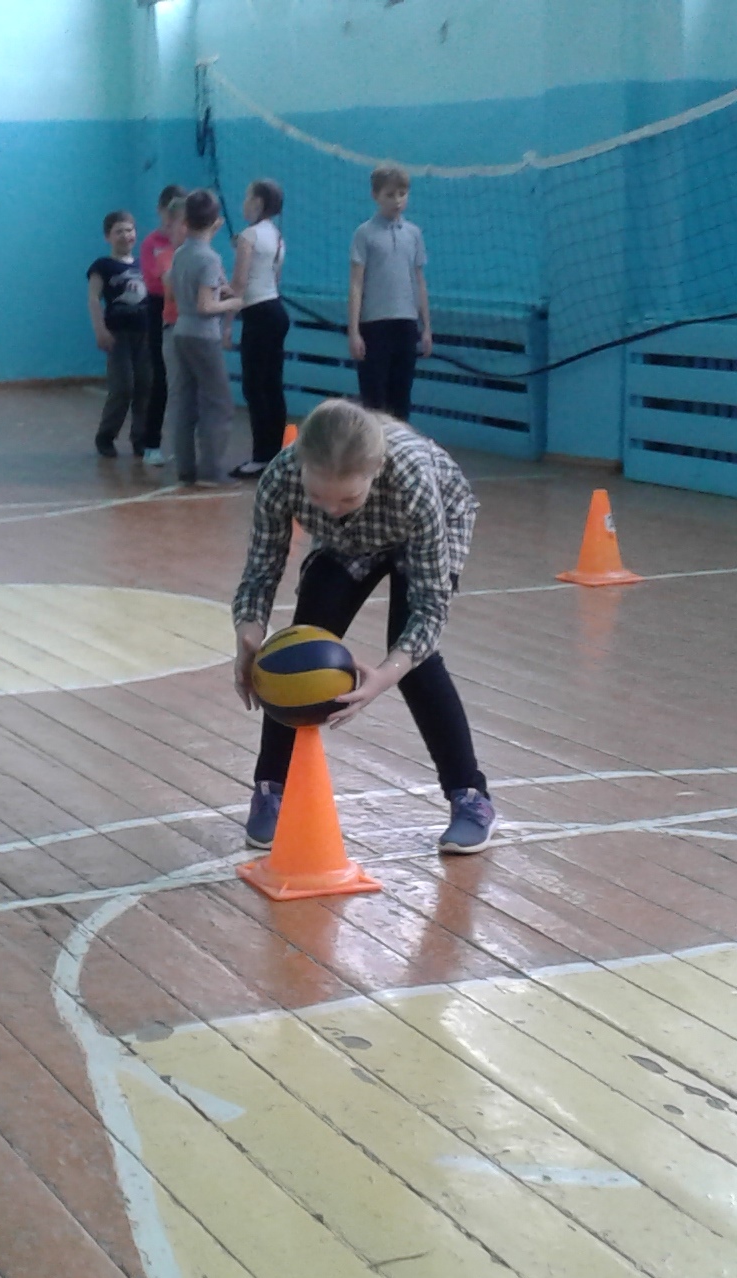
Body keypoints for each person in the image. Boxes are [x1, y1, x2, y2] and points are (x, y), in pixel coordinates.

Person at [231, 398, 494, 854]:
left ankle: (470, 797)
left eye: (348, 498)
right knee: (295, 655)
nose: (332, 509)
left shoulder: (412, 481)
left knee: (416, 661)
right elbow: (260, 572)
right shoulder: (280, 477)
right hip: (351, 543)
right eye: (318, 498)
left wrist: (386, 675)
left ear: (375, 470)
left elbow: (429, 609)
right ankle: (272, 789)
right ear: (301, 466)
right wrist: (249, 638)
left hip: (429, 528)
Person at [164, 189, 245, 485]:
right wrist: (234, 302)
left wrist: (217, 290)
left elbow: (177, 293)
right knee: (218, 403)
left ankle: (185, 468)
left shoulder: (181, 253)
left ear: (186, 220)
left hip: (181, 331)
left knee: (186, 401)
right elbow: (205, 306)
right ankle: (211, 471)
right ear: (217, 222)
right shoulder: (209, 258)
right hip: (202, 335)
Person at [348, 163, 431, 421]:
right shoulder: (364, 233)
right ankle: (373, 447)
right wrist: (354, 331)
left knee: (401, 398)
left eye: (402, 194)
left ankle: (398, 445)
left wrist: (426, 327)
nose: (397, 200)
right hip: (374, 325)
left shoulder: (413, 234)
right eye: (390, 195)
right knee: (374, 400)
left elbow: (419, 281)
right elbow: (356, 284)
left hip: (406, 324)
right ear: (376, 196)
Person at [232, 178, 290, 476]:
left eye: (247, 197)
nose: (243, 203)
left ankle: (260, 457)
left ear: (258, 202)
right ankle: (276, 454)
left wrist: (226, 322)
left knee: (254, 386)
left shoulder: (249, 236)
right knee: (272, 385)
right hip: (276, 311)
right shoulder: (277, 236)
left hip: (257, 314)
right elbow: (273, 280)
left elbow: (239, 284)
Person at [87, 210, 153, 459]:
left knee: (146, 386)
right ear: (108, 237)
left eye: (129, 230)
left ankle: (141, 438)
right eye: (119, 232)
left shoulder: (144, 264)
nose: (126, 236)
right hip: (118, 335)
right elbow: (93, 299)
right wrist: (100, 329)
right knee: (123, 387)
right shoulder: (102, 266)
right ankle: (106, 436)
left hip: (145, 334)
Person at [135, 185, 185, 466]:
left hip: (185, 311)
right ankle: (150, 442)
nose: (173, 220)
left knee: (184, 381)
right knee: (160, 377)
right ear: (161, 211)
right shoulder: (152, 244)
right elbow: (155, 282)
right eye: (169, 213)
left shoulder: (189, 243)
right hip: (158, 309)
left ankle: (184, 443)